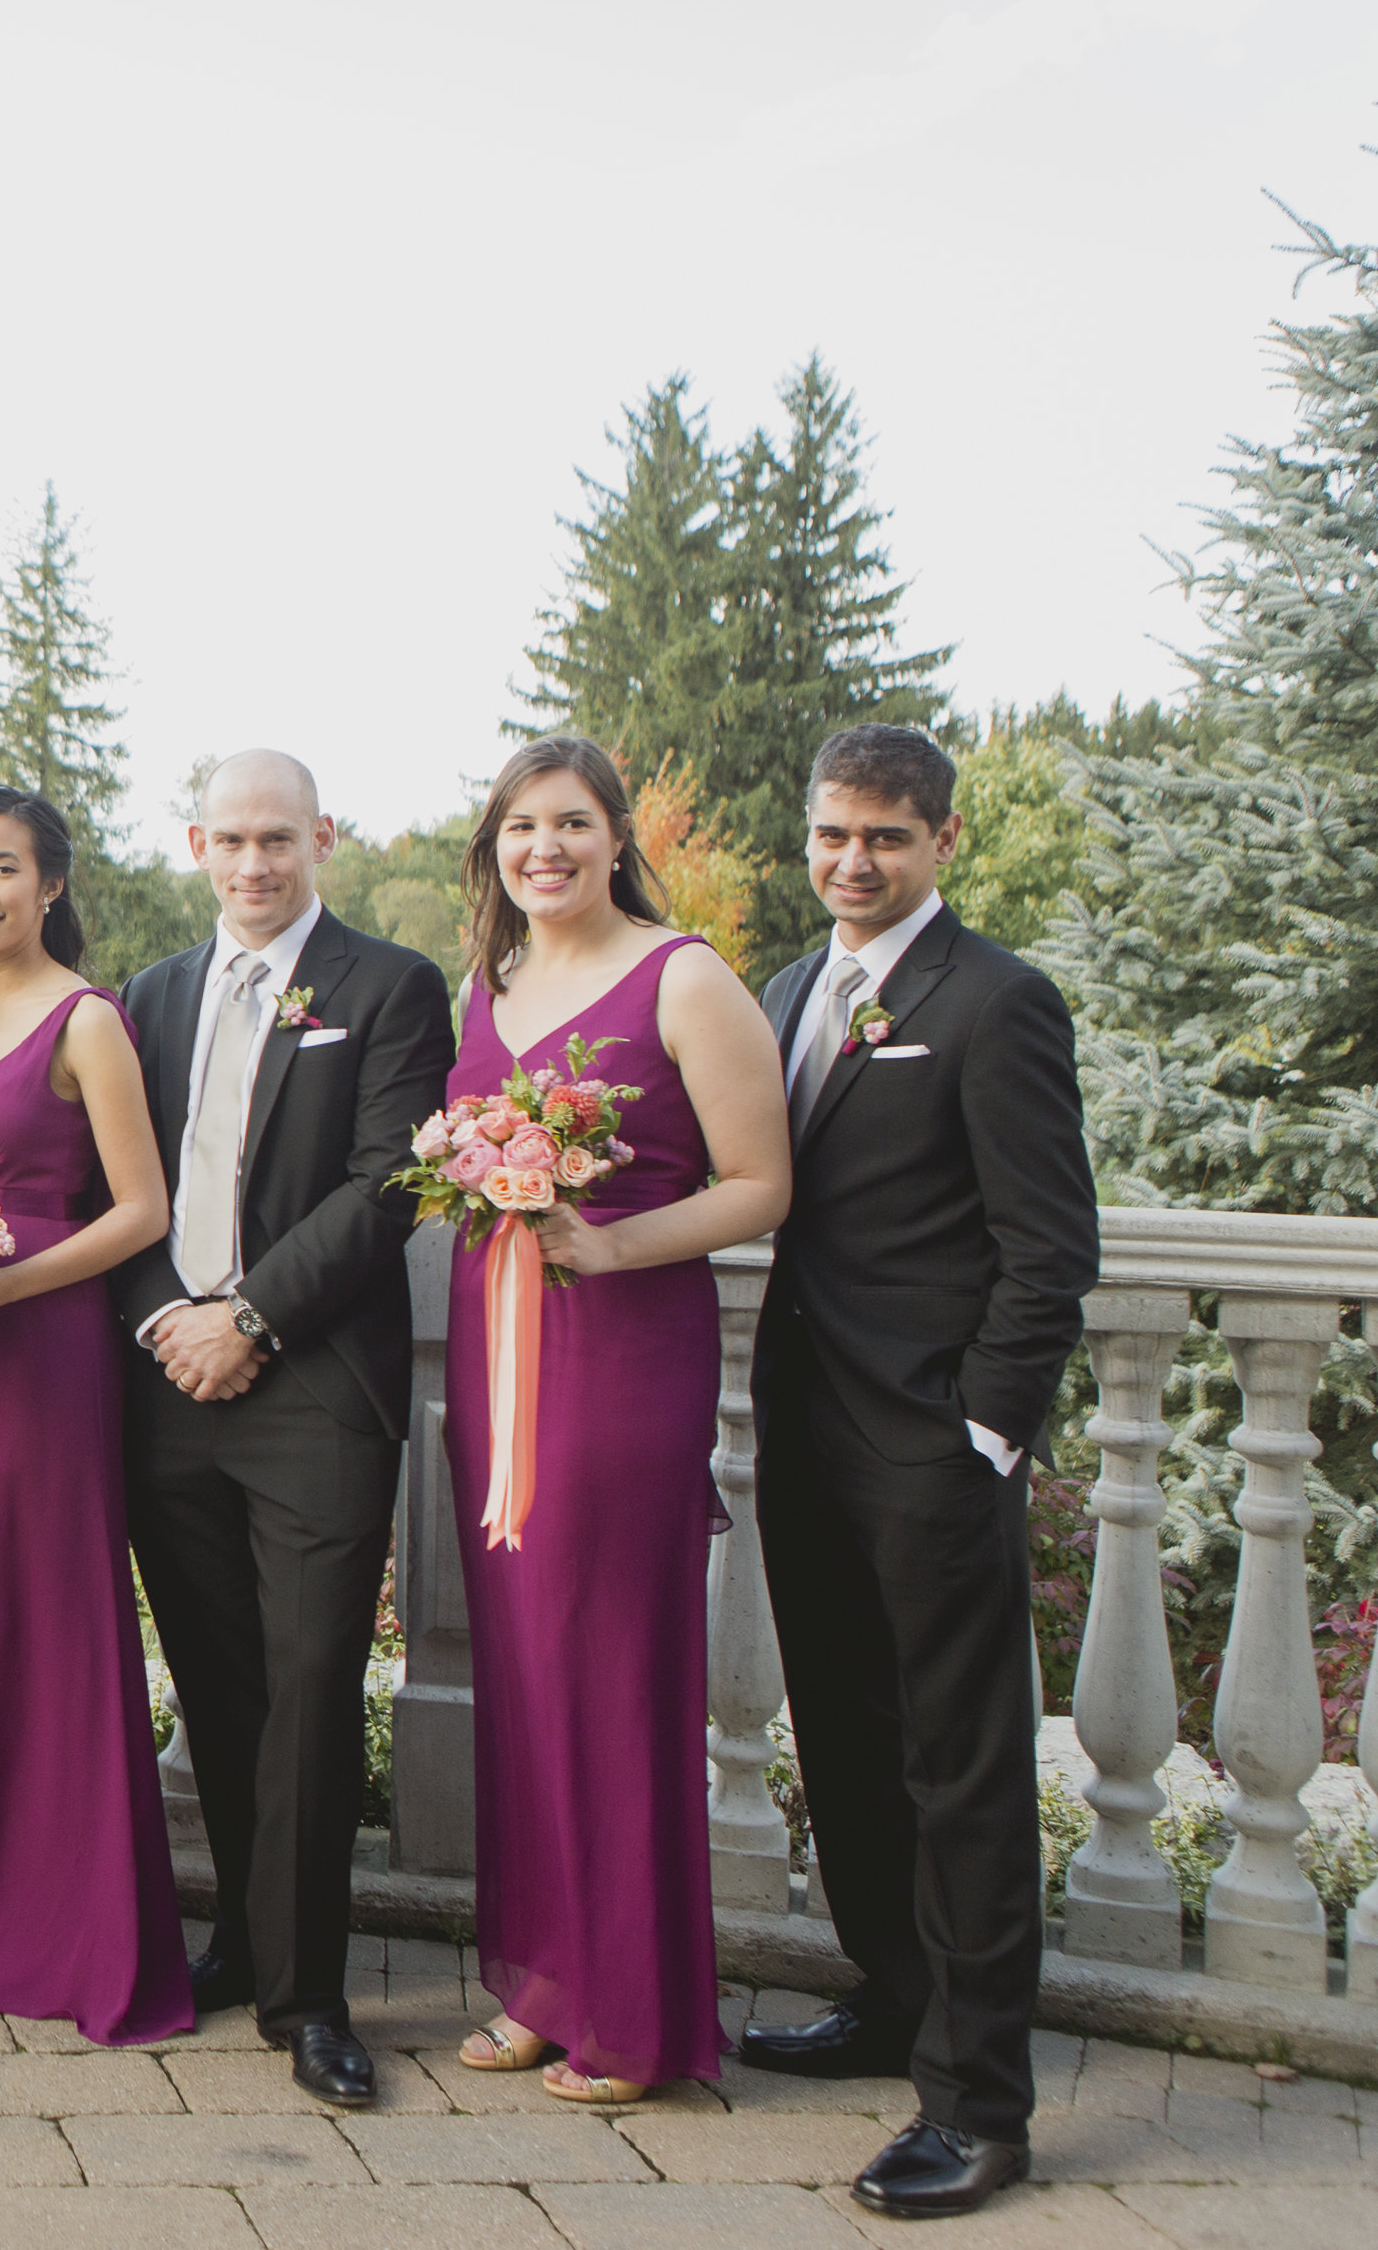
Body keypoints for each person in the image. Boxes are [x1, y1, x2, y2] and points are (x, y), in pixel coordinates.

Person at [737, 725, 1097, 2220]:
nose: (853, 861)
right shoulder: (782, 993)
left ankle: (981, 2104)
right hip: (806, 1436)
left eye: (885, 835)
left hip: (933, 1449)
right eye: (832, 834)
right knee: (846, 1741)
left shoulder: (998, 1000)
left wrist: (984, 1432)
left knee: (962, 1772)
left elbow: (1050, 1245)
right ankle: (890, 2001)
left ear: (943, 839)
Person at [440, 734, 789, 2105]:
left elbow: (762, 1183)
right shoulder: (496, 978)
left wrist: (616, 1247)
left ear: (615, 834)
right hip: (495, 1357)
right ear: (495, 847)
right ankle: (542, 1976)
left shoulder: (685, 975)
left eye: (572, 823)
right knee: (521, 1671)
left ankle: (632, 2014)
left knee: (610, 1670)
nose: (546, 849)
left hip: (620, 1354)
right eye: (523, 826)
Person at [108, 750, 454, 2106]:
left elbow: (388, 1183)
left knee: (312, 1693)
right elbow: (116, 1189)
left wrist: (246, 1317)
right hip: (166, 1389)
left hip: (311, 1388)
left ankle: (314, 1998)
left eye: (278, 839)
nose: (254, 865)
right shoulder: (152, 995)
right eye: (231, 840)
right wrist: (165, 1323)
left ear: (323, 836)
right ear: (195, 842)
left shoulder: (387, 986)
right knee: (223, 1687)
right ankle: (243, 1946)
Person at [0, 789, 188, 2043]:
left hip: (49, 1354)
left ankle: (81, 1927)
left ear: (51, 884)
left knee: (52, 1614)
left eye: (3, 868)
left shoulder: (87, 1021)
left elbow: (140, 1212)